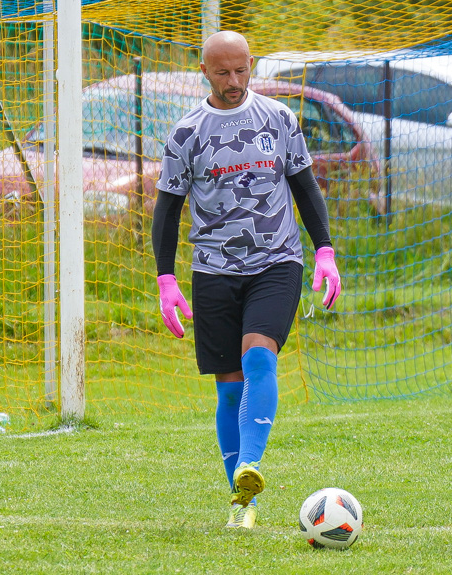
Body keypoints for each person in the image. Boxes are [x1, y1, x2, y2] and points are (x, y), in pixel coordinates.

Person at [151, 30, 342, 530]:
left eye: (242, 70)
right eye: (222, 73)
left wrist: (324, 251)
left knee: (259, 355)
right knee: (229, 389)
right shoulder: (186, 133)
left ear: (251, 65)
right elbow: (167, 211)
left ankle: (251, 466)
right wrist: (165, 280)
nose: (234, 82)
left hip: (277, 262)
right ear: (204, 72)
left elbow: (304, 186)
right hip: (212, 269)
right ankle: (242, 500)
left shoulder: (278, 119)